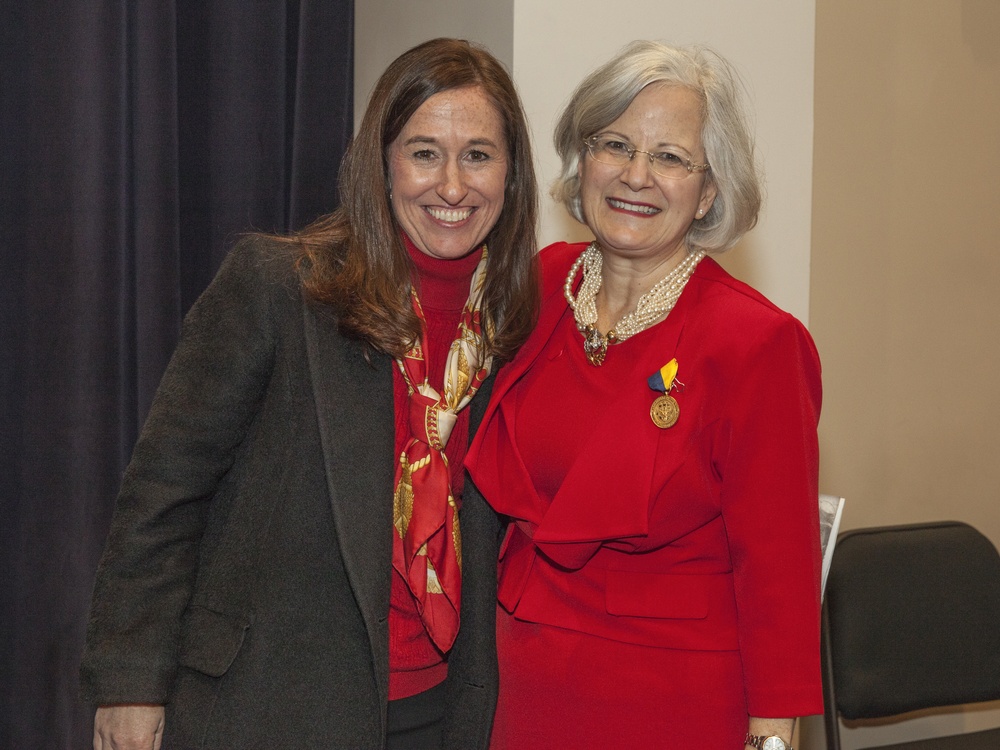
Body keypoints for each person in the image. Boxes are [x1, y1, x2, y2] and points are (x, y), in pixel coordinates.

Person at [80, 37, 538, 750]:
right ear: (380, 165)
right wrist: (130, 680)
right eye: (424, 153)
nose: (452, 186)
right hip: (264, 704)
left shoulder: (517, 327)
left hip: (442, 711)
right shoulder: (279, 287)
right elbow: (165, 491)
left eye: (478, 154)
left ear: (511, 174)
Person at [465, 41, 822, 749]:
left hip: (674, 701)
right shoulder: (541, 285)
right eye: (616, 145)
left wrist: (773, 736)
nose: (636, 175)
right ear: (582, 159)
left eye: (670, 157)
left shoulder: (755, 342)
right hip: (522, 689)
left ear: (710, 190)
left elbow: (777, 568)